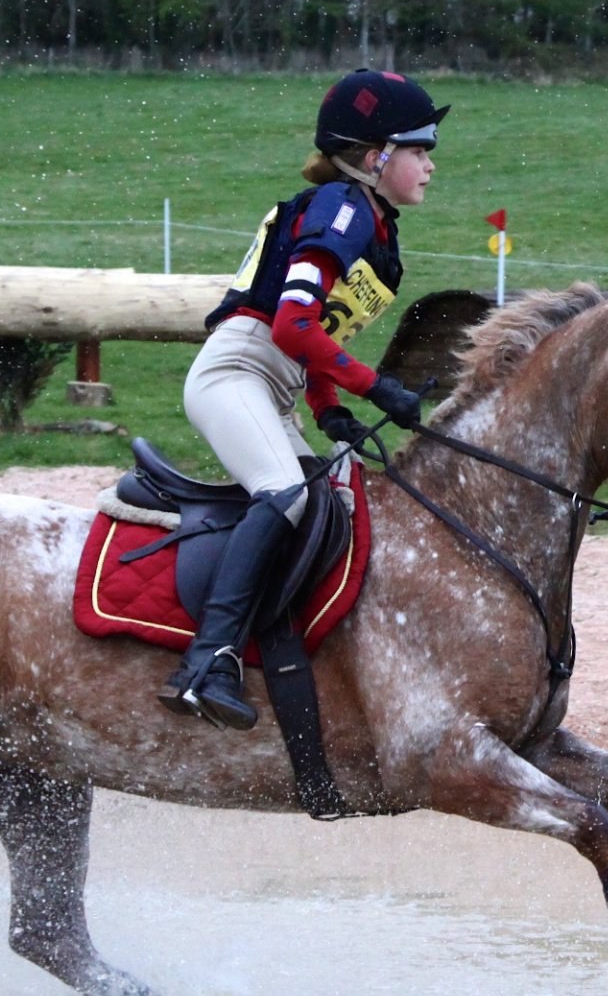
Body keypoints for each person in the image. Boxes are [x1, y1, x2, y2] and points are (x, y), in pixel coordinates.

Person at [160, 69, 445, 730]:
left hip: (274, 383)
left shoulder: (369, 224)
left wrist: (328, 409)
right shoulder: (340, 211)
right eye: (418, 150)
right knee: (285, 493)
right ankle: (208, 660)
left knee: (325, 503)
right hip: (236, 372)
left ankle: (277, 655)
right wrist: (376, 386)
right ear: (376, 156)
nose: (429, 166)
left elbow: (317, 334)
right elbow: (289, 327)